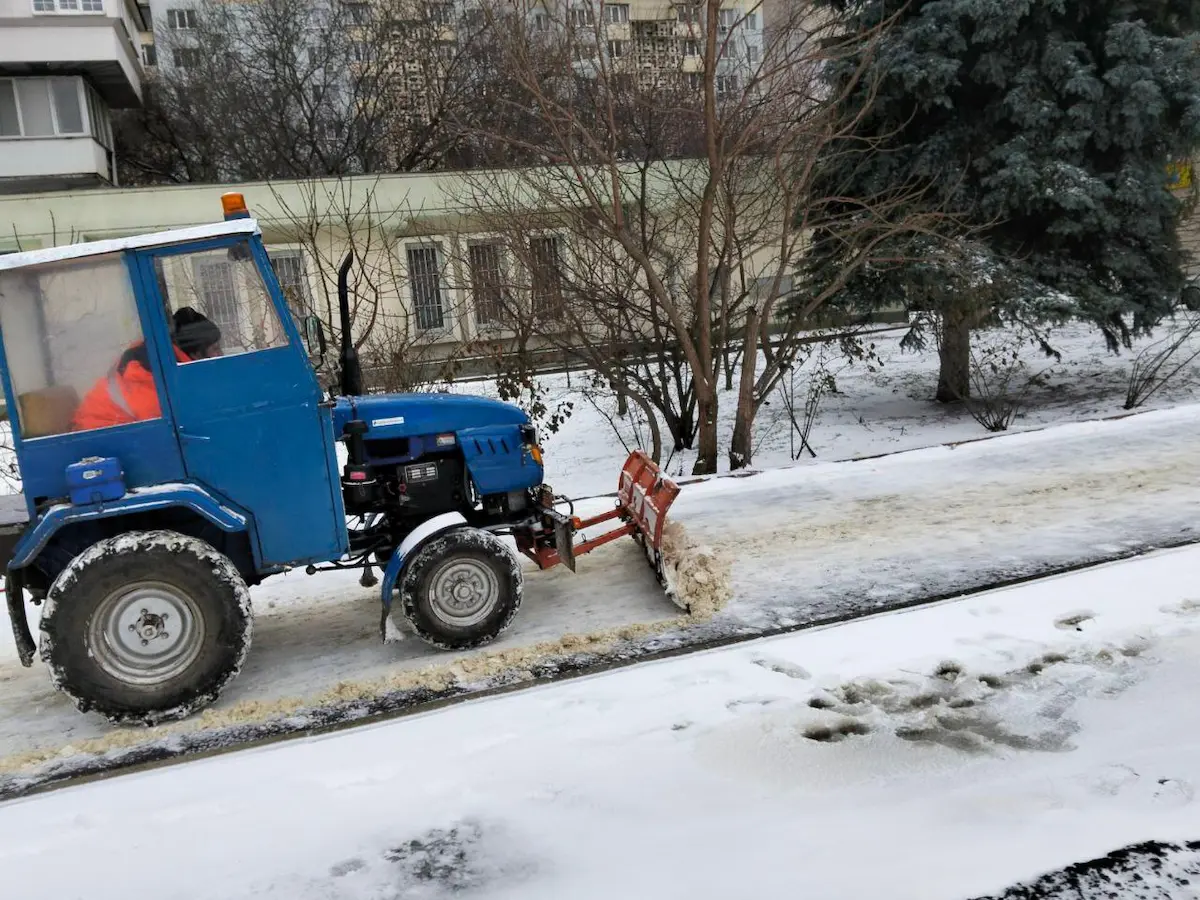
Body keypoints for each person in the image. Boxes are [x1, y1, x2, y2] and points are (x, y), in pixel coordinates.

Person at [72, 307, 223, 432]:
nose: (220, 354)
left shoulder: (164, 361)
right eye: (215, 349)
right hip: (96, 437)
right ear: (196, 353)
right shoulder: (150, 373)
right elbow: (167, 430)